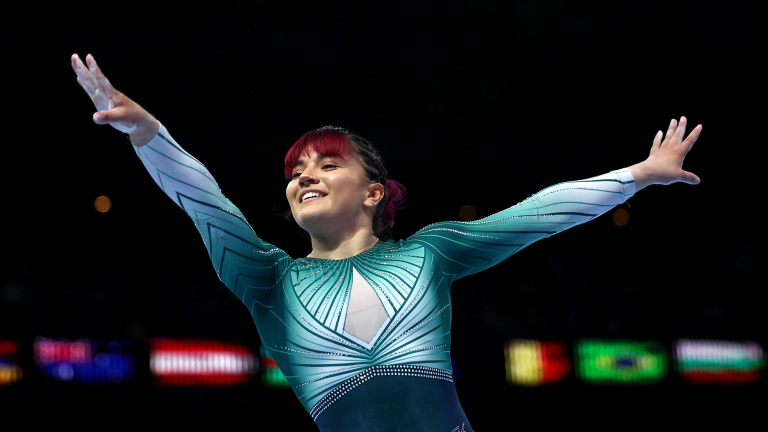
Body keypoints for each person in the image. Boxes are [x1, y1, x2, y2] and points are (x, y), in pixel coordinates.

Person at [71, 53, 702, 432]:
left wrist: (637, 176)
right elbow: (204, 202)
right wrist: (148, 133)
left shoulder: (428, 253)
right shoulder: (268, 281)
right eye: (296, 172)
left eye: (326, 165)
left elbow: (537, 214)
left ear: (374, 192)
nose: (304, 177)